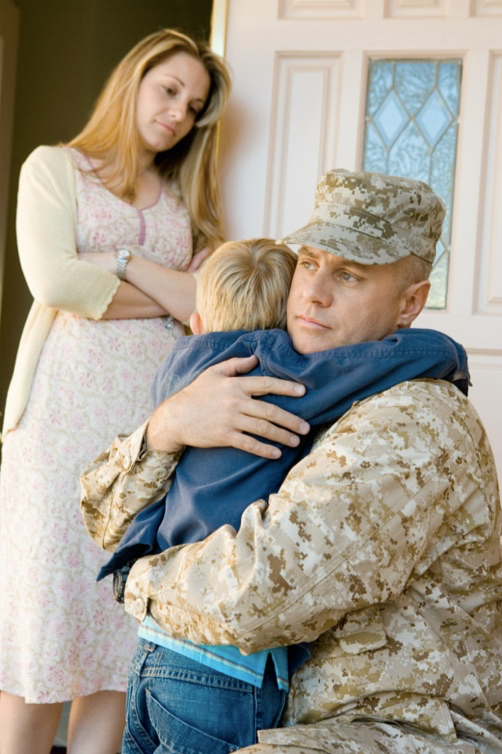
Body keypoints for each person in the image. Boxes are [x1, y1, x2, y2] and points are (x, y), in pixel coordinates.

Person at [81, 169, 502, 754]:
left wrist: (136, 578)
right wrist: (168, 427)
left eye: (349, 275)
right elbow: (103, 516)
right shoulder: (274, 381)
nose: (314, 293)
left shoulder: (412, 417)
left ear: (410, 303)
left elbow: (256, 597)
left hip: (394, 730)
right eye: (308, 263)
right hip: (276, 712)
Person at [0, 28, 230, 754]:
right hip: (60, 424)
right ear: (133, 82)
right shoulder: (55, 169)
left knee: (113, 636)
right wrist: (166, 291)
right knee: (43, 629)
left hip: (149, 430)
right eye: (169, 90)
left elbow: (202, 302)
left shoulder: (185, 197)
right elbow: (55, 281)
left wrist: (122, 259)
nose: (178, 114)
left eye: (193, 106)